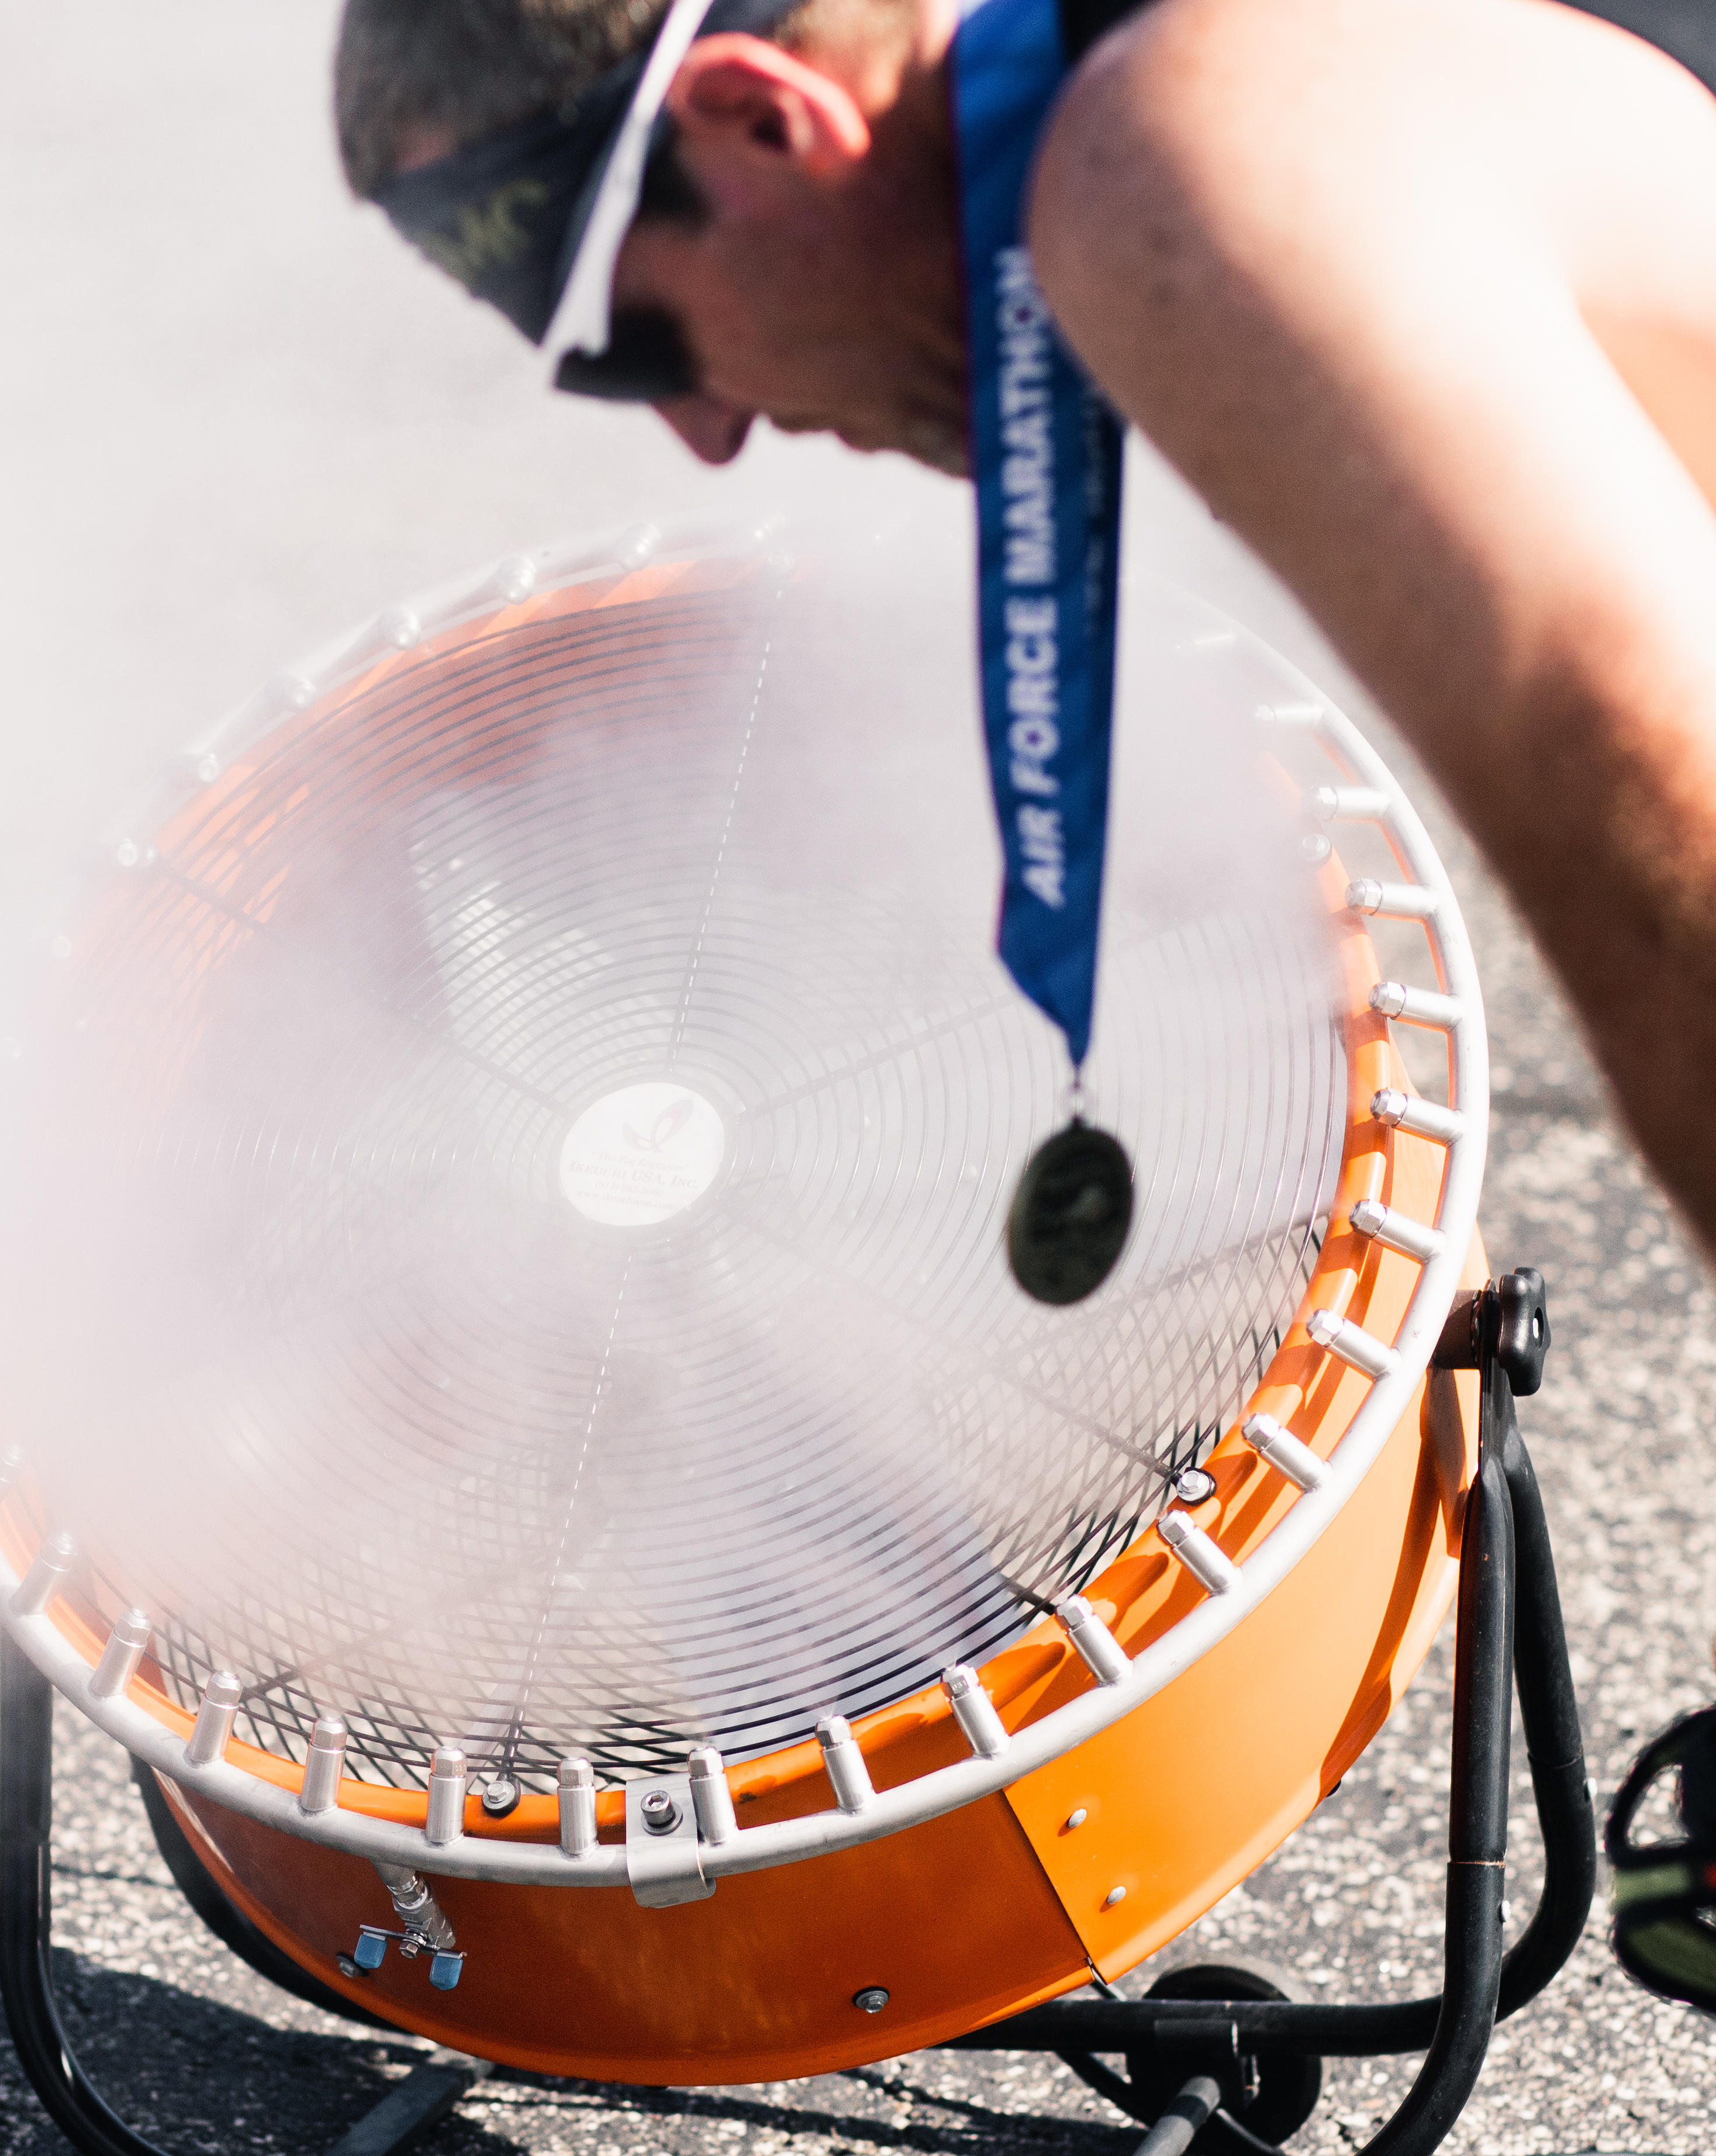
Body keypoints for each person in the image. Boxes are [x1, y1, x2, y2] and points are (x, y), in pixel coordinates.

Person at [332, 0, 1716, 1260]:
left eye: (629, 346)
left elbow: (1683, 879)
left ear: (763, 119)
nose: (703, 433)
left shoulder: (1169, 163)